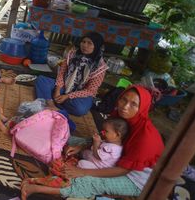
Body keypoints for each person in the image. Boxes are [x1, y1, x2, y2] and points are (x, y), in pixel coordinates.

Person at [20, 85, 164, 199]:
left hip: (135, 178)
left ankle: (35, 188)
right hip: (115, 155)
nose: (125, 107)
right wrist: (82, 146)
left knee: (89, 182)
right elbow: (105, 137)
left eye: (134, 104)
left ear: (142, 108)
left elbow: (124, 169)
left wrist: (82, 171)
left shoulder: (146, 138)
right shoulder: (121, 117)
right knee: (71, 140)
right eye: (124, 99)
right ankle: (32, 129)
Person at [30, 117, 128, 188]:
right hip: (94, 157)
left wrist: (96, 143)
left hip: (97, 166)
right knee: (83, 151)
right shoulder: (110, 142)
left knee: (81, 163)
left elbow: (97, 156)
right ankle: (72, 156)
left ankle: (74, 170)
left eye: (105, 131)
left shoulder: (113, 149)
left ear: (117, 135)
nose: (102, 133)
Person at [34, 32, 108, 116]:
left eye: (89, 43)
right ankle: (50, 104)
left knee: (80, 109)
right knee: (41, 80)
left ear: (97, 46)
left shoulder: (100, 67)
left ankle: (54, 102)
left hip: (81, 94)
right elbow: (61, 73)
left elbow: (90, 90)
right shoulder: (72, 54)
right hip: (65, 86)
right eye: (83, 42)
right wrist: (57, 90)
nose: (85, 45)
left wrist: (67, 96)